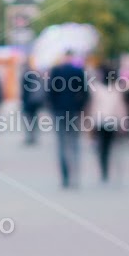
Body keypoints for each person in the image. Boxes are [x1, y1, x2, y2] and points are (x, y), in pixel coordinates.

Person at [47, 49, 89, 189]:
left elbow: (50, 92)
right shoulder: (78, 71)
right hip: (74, 111)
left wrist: (52, 108)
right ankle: (75, 174)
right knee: (74, 143)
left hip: (59, 111)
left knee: (62, 144)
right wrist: (80, 107)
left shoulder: (56, 71)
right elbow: (85, 92)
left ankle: (65, 176)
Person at [90, 68, 129, 183]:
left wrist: (90, 123)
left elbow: (94, 107)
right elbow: (120, 108)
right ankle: (106, 168)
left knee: (102, 147)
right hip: (111, 121)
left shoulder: (97, 89)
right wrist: (123, 123)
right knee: (108, 146)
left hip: (100, 121)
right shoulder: (116, 89)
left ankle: (104, 169)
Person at [19, 59, 46, 145]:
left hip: (28, 102)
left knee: (29, 120)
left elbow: (24, 90)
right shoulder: (36, 75)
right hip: (35, 102)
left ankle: (30, 137)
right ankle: (34, 136)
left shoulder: (26, 75)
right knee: (34, 119)